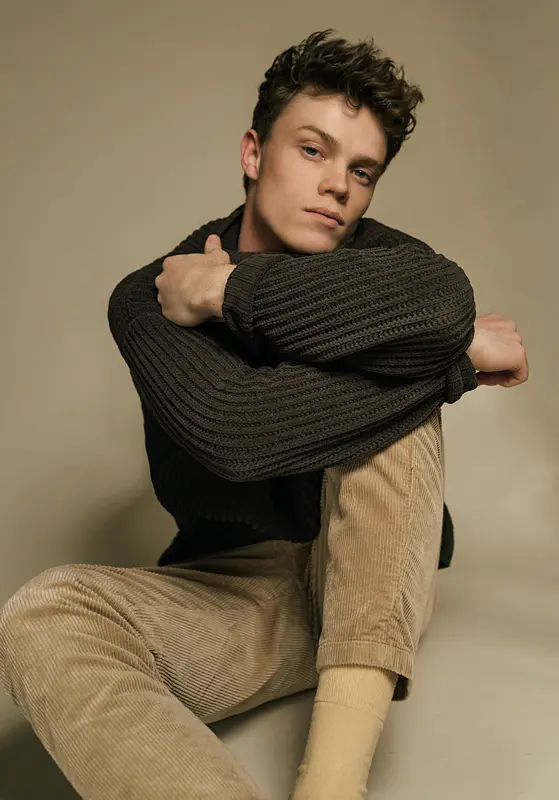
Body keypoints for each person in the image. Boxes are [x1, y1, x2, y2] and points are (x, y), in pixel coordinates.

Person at [0, 29, 527, 800]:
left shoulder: (387, 264)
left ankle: (330, 787)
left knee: (398, 395)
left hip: (378, 574)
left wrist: (224, 290)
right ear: (253, 153)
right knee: (41, 616)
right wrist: (447, 361)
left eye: (361, 171)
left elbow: (443, 304)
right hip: (242, 601)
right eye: (312, 151)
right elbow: (238, 433)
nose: (337, 186)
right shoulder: (149, 295)